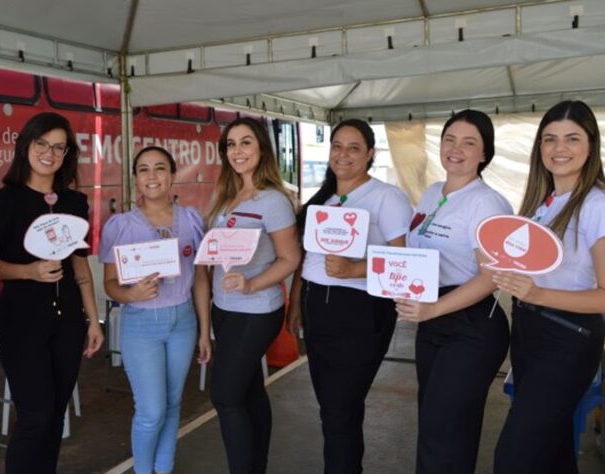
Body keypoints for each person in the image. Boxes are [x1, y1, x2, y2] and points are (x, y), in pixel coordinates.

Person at [493, 101, 605, 473]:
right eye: (549, 139)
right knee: (551, 450)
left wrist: (536, 294)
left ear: (591, 145)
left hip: (567, 339)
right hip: (530, 332)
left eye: (572, 138)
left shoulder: (601, 205)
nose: (559, 148)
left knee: (514, 458)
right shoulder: (544, 201)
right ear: (539, 147)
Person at [0, 112, 104, 473]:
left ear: (67, 155)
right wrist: (27, 271)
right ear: (26, 146)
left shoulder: (74, 203)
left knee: (54, 417)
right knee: (36, 415)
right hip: (22, 322)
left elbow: (80, 264)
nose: (50, 153)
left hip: (67, 324)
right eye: (42, 144)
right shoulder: (2, 202)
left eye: (59, 147)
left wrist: (93, 319)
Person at [287, 119, 413, 473]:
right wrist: (296, 302)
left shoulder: (386, 197)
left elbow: (403, 263)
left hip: (358, 311)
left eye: (354, 148)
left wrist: (353, 270)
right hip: (317, 307)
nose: (343, 155)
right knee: (332, 408)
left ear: (370, 154)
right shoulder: (324, 198)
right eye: (337, 146)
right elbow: (309, 257)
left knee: (341, 409)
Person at [395, 110, 512, 474]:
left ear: (484, 154)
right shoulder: (432, 193)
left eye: (469, 142)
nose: (456, 149)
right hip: (434, 323)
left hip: (471, 326)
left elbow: (492, 276)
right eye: (449, 139)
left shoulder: (486, 203)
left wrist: (433, 309)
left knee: (442, 427)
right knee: (440, 425)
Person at [99, 146, 212, 474]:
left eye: (160, 168)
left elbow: (200, 279)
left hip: (184, 320)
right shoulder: (120, 226)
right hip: (142, 324)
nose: (152, 176)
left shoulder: (191, 219)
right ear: (135, 179)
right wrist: (131, 294)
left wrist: (205, 331)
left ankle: (164, 469)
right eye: (144, 170)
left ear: (173, 175)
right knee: (151, 412)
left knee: (174, 404)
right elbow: (109, 284)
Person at [206, 117, 301, 474]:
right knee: (248, 390)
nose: (237, 151)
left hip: (257, 309)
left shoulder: (273, 199)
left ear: (262, 148)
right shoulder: (226, 195)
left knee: (225, 395)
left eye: (246, 143)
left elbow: (290, 258)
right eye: (231, 144)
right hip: (224, 307)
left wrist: (251, 284)